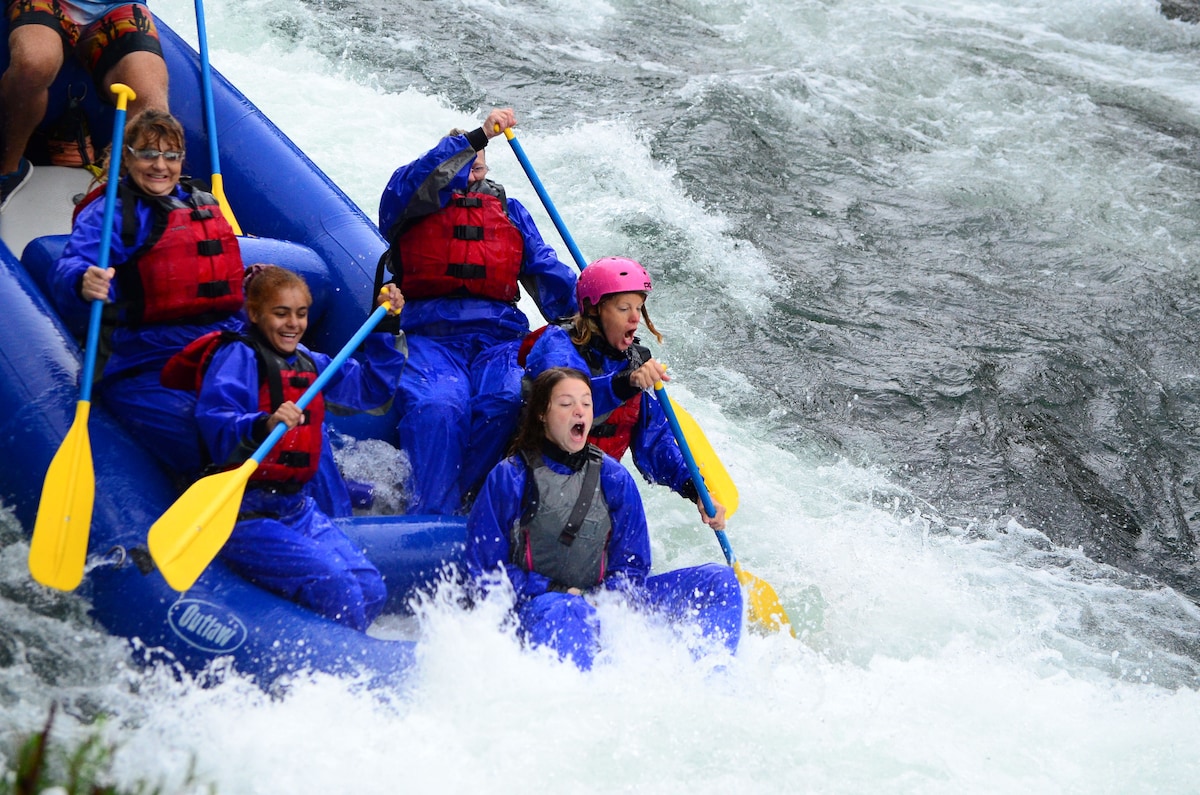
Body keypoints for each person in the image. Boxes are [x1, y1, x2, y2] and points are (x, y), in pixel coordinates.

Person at [463, 367, 742, 670]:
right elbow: (485, 571)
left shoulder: (613, 478)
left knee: (721, 581)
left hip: (603, 605)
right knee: (568, 611)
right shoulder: (510, 477)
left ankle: (713, 682)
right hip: (538, 607)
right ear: (542, 413)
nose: (579, 412)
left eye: (585, 403)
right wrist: (553, 590)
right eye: (566, 404)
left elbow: (632, 566)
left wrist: (605, 600)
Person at [376, 107, 578, 515]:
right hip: (431, 338)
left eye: (481, 166)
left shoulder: (509, 211)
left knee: (507, 398)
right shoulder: (410, 203)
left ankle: (466, 503)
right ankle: (431, 510)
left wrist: (593, 311)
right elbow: (417, 180)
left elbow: (545, 271)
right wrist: (477, 136)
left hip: (498, 340)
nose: (477, 175)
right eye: (467, 166)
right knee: (439, 405)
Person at [182, 265, 406, 630]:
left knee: (370, 588)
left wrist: (385, 326)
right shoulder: (237, 357)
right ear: (254, 313)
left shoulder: (308, 362)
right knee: (338, 589)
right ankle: (336, 666)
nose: (293, 324)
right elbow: (216, 421)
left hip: (295, 508)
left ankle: (342, 653)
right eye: (281, 313)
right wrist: (263, 423)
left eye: (301, 314)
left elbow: (370, 389)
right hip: (242, 514)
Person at [50, 108, 243, 482]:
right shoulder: (112, 214)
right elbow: (72, 265)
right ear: (128, 157)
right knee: (206, 436)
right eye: (148, 154)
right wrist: (82, 281)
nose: (160, 166)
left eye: (171, 156)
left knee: (285, 400)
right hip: (145, 359)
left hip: (219, 347)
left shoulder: (199, 201)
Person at [522, 256, 727, 531]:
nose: (635, 318)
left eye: (639, 308)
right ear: (594, 310)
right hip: (536, 479)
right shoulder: (557, 344)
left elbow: (655, 444)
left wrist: (695, 490)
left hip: (589, 491)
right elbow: (565, 398)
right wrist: (625, 383)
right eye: (623, 308)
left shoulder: (633, 364)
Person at [0, 0, 170, 210]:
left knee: (152, 108)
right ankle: (8, 171)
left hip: (117, 5)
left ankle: (144, 209)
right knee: (33, 64)